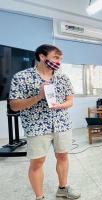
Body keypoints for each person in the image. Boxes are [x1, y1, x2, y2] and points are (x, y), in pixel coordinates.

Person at [9, 44, 80, 200]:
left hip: (62, 124)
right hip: (36, 126)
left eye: (61, 59)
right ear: (42, 56)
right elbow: (14, 105)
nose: (59, 62)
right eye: (55, 57)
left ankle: (63, 188)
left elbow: (70, 101)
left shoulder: (62, 77)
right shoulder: (21, 77)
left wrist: (61, 105)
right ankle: (39, 197)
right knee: (38, 162)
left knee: (63, 157)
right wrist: (39, 96)